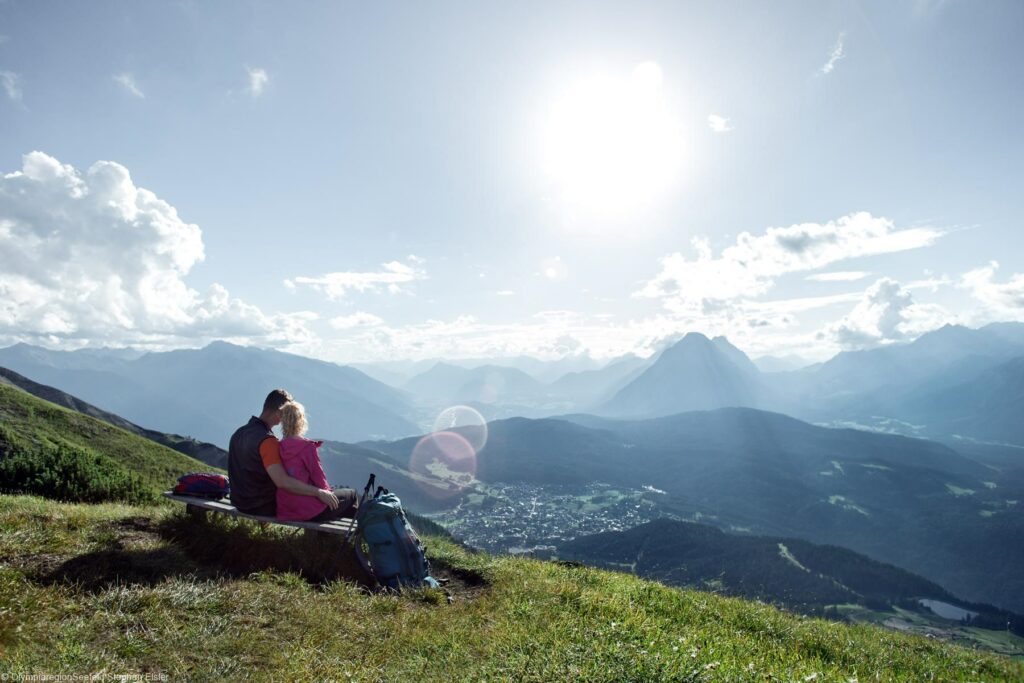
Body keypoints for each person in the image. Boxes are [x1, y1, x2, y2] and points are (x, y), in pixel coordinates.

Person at [227, 389, 340, 517]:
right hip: (261, 506)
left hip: (239, 501)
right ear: (279, 412)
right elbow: (282, 482)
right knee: (342, 498)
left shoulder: (239, 433)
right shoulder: (267, 441)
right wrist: (319, 492)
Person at [277, 400, 357, 521]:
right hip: (309, 511)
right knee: (351, 494)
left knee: (341, 503)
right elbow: (319, 478)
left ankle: (326, 537)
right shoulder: (306, 447)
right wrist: (327, 493)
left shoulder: (278, 446)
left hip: (286, 509)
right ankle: (335, 537)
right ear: (301, 421)